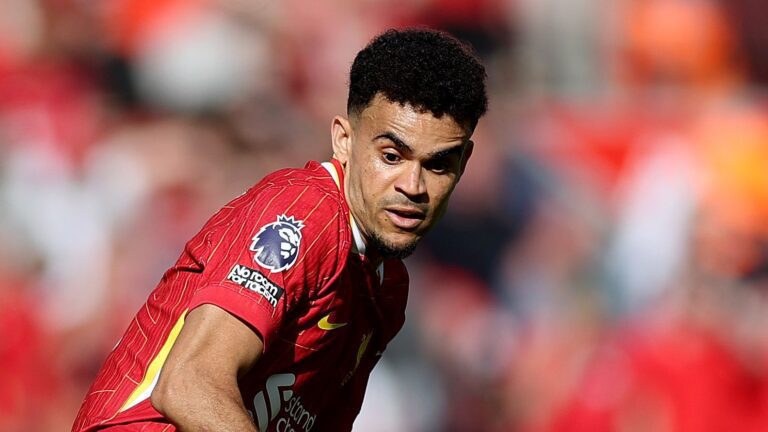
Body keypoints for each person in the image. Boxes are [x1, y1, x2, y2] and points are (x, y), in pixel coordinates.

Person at [72, 28, 488, 432]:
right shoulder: (304, 216)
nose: (412, 186)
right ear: (343, 141)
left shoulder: (386, 288)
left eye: (438, 165)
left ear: (463, 163)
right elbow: (189, 385)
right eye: (392, 156)